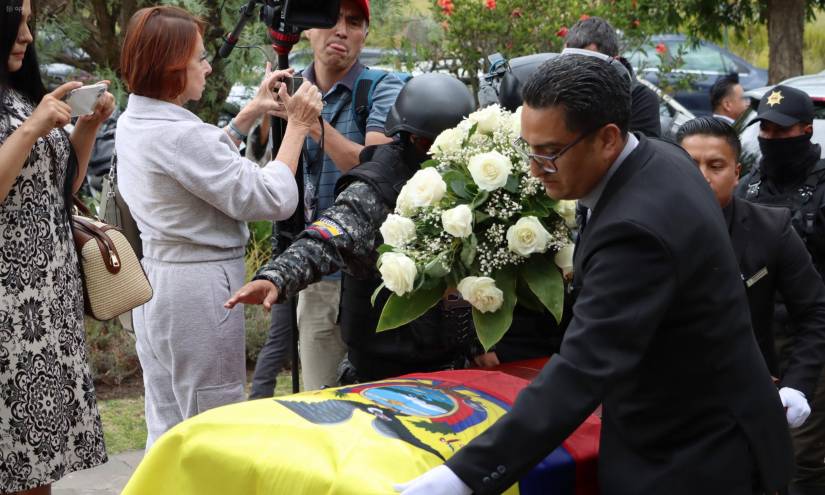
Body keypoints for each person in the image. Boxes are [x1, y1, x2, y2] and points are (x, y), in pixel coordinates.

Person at [395, 55, 793, 495]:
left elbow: (583, 371)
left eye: (549, 154)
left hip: (693, 454)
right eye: (529, 150)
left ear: (607, 139)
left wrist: (460, 478)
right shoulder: (655, 156)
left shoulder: (636, 228)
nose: (532, 169)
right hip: (710, 420)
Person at [116, 5, 322, 448]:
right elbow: (271, 198)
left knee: (169, 426)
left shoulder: (135, 119)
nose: (207, 66)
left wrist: (250, 112)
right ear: (173, 72)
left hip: (156, 282)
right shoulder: (180, 135)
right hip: (198, 291)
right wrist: (298, 127)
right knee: (215, 424)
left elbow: (196, 167)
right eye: (198, 59)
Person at [225, 73, 477, 382]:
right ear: (405, 136)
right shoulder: (378, 185)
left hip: (455, 366)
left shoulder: (475, 183)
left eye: (448, 144)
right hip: (381, 370)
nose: (436, 154)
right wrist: (276, 277)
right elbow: (329, 237)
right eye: (427, 143)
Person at [0, 0, 114, 492]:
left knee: (42, 466)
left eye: (29, 21)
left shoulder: (18, 94)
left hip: (48, 303)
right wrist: (33, 127)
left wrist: (85, 127)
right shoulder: (26, 113)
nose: (26, 34)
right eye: (16, 20)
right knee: (17, 462)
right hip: (9, 312)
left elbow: (58, 189)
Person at [262, 0, 405, 391]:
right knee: (321, 404)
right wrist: (264, 116)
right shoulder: (287, 87)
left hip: (375, 277)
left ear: (364, 35)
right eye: (332, 19)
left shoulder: (382, 86)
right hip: (318, 276)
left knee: (378, 402)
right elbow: (268, 180)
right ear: (307, 29)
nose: (342, 30)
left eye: (354, 22)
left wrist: (307, 121)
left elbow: (373, 170)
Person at [677, 116, 825, 430]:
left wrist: (797, 385)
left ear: (736, 173)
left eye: (715, 166)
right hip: (666, 407)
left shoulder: (771, 228)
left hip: (749, 403)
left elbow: (815, 310)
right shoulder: (641, 229)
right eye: (691, 166)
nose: (702, 177)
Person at [735, 85, 825, 495]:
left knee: (801, 459)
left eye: (781, 131)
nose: (770, 140)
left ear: (806, 131)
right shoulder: (748, 186)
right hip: (757, 338)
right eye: (764, 130)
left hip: (810, 338)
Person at [564, 15, 661, 138]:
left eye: (588, 63)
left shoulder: (640, 98)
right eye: (569, 60)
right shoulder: (557, 93)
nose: (577, 69)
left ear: (614, 62)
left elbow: (642, 152)